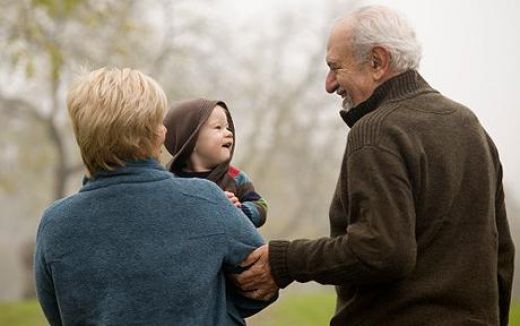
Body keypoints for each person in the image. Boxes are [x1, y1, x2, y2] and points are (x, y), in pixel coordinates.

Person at [234, 5, 515, 326]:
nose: (328, 84)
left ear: (378, 61)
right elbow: (501, 255)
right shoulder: (469, 124)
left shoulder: (377, 130)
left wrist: (285, 260)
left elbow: (381, 252)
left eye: (335, 67)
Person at [33, 67, 274, 325]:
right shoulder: (206, 200)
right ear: (157, 136)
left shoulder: (55, 224)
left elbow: (57, 314)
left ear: (82, 136)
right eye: (159, 123)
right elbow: (264, 283)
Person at [163, 98, 268, 227]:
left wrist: (240, 211)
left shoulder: (235, 177)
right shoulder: (169, 181)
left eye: (228, 127)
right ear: (191, 140)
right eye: (218, 127)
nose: (229, 133)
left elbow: (261, 205)